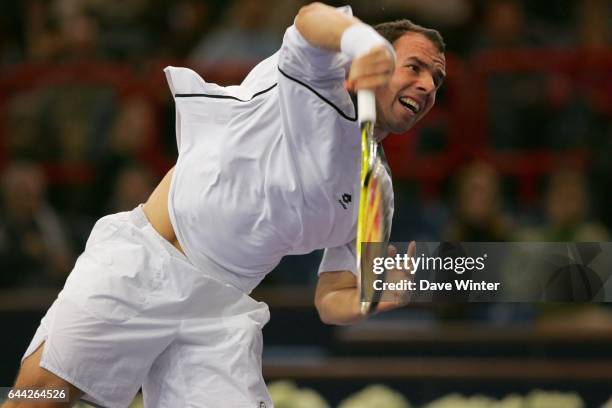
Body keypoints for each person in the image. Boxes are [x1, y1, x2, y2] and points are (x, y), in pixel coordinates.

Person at [6, 3, 446, 407]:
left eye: (437, 80)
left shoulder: (376, 191)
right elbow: (312, 18)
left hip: (218, 316)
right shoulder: (319, 76)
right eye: (414, 66)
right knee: (37, 397)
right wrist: (360, 40)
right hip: (143, 264)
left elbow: (331, 295)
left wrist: (368, 302)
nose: (426, 85)